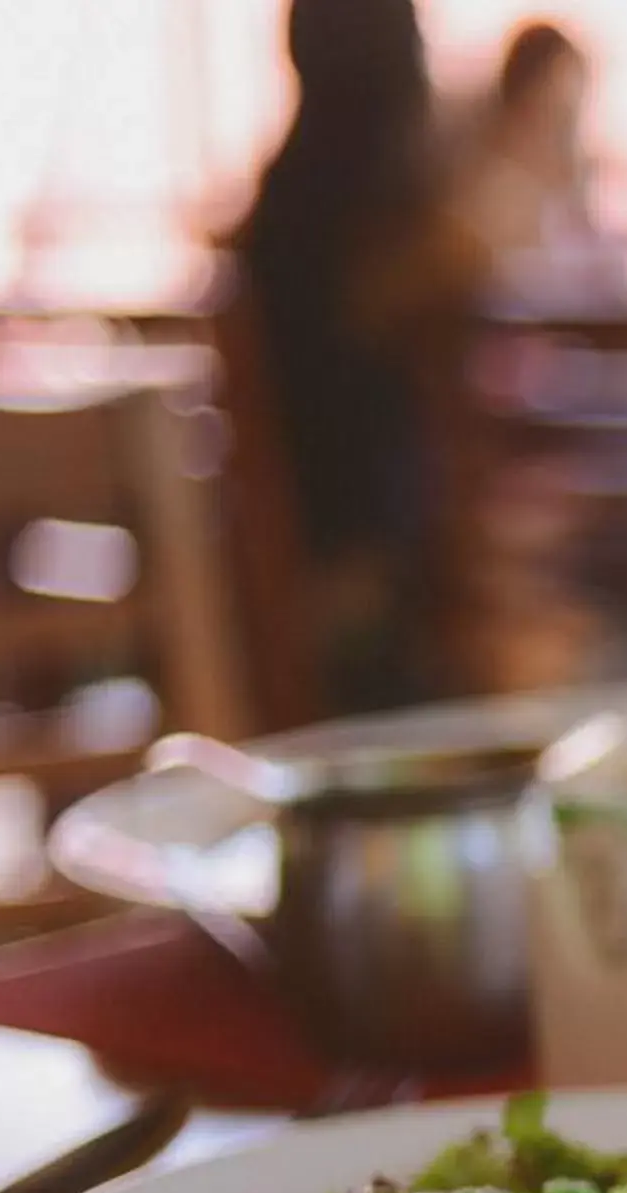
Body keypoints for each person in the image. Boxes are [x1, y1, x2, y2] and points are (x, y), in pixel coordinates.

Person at [232, 0, 472, 710]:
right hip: (357, 556)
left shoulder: (286, 186)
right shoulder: (368, 198)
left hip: (315, 537)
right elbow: (461, 258)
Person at [448, 22, 627, 316]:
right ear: (528, 92)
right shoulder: (488, 184)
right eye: (558, 99)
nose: (566, 117)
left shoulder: (575, 178)